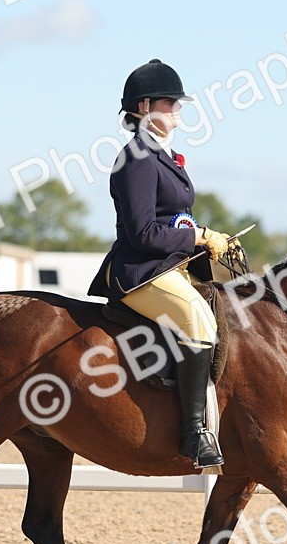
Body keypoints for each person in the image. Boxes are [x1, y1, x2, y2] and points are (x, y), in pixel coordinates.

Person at [88, 59, 230, 468]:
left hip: (169, 267)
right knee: (197, 319)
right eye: (170, 104)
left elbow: (172, 221)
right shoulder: (135, 158)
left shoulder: (163, 156)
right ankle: (193, 432)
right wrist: (197, 237)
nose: (178, 111)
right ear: (144, 106)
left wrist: (208, 241)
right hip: (138, 271)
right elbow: (143, 234)